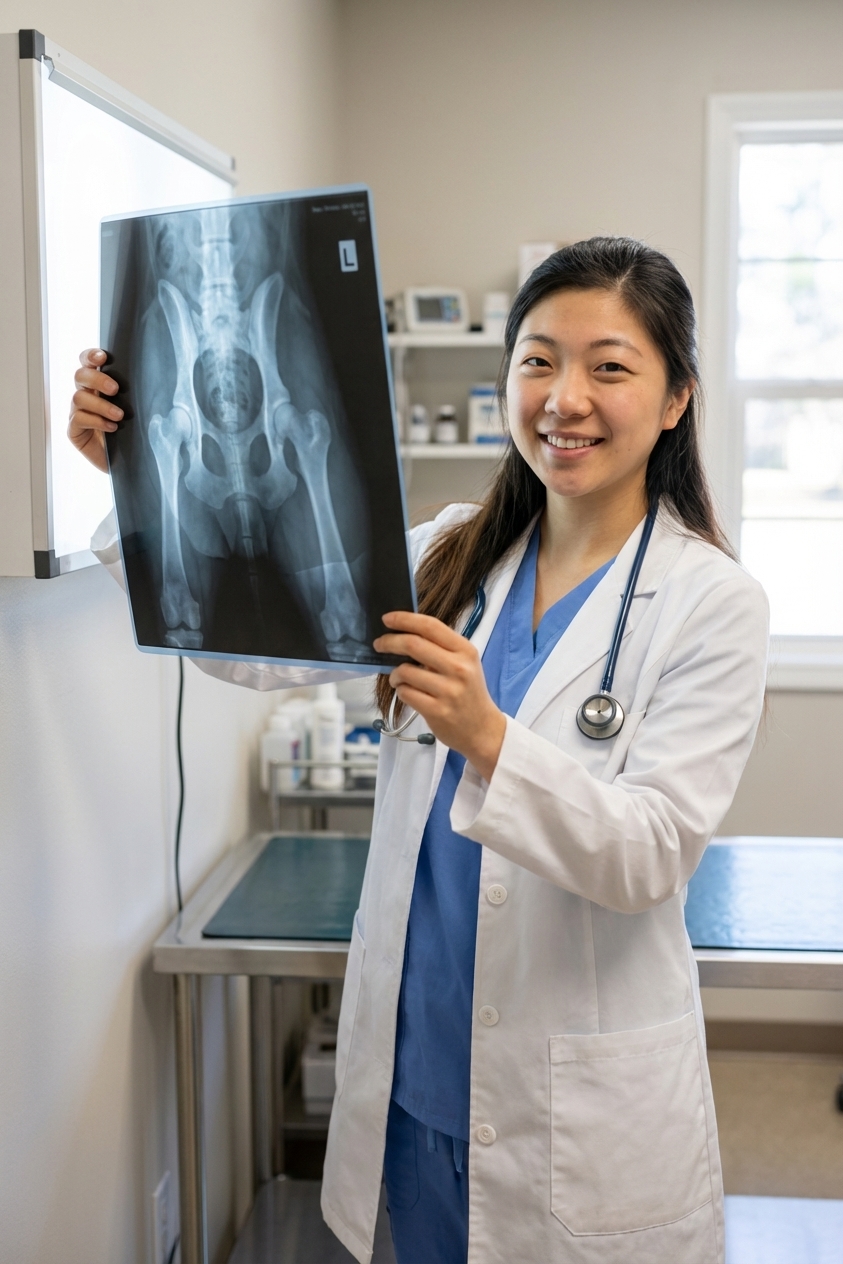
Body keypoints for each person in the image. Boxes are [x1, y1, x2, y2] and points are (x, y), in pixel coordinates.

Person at [71, 237, 768, 1264]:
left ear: (675, 400)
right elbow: (253, 643)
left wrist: (490, 739)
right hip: (416, 1079)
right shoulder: (450, 553)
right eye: (537, 360)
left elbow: (650, 855)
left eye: (609, 366)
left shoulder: (713, 604)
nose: (564, 397)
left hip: (573, 1111)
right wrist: (128, 475)